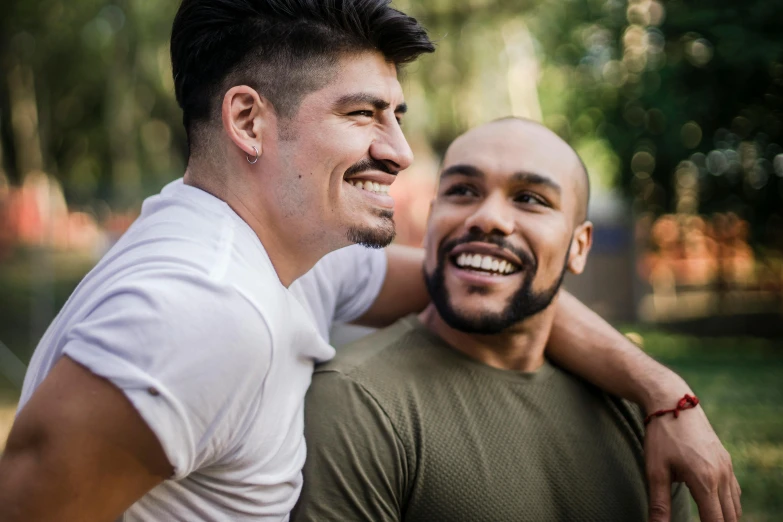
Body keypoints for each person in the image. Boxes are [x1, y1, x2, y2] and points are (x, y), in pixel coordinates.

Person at [0, 1, 738, 521]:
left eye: (395, 115)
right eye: (362, 115)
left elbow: (475, 274)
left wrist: (664, 393)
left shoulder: (286, 257)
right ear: (249, 121)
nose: (399, 150)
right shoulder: (201, 309)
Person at [292, 119, 732, 522]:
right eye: (463, 191)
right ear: (431, 220)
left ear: (579, 247)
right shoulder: (356, 404)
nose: (488, 218)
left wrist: (666, 394)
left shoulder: (646, 412)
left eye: (529, 199)